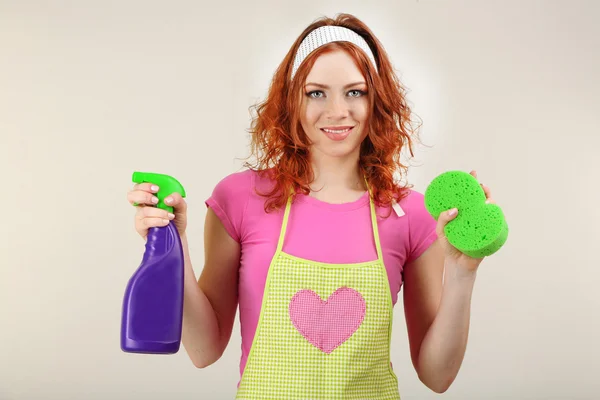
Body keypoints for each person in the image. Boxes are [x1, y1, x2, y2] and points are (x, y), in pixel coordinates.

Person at [127, 13, 495, 399]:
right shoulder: (238, 199)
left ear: (378, 100)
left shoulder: (412, 215)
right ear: (292, 100)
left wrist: (462, 273)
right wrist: (174, 244)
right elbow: (203, 350)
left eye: (355, 92)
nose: (338, 111)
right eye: (316, 92)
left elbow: (437, 377)